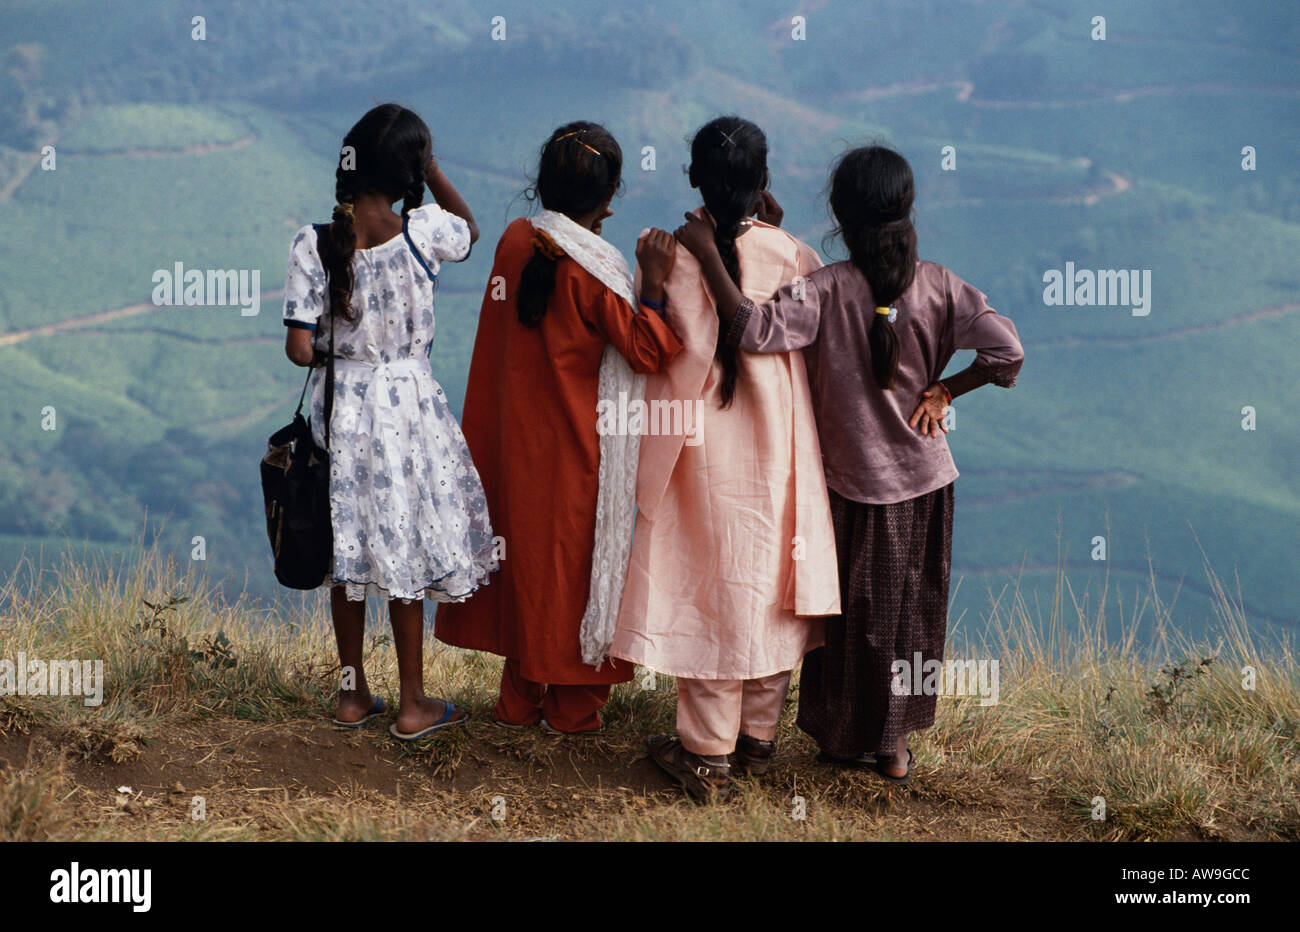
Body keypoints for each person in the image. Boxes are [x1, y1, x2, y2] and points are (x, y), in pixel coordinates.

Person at [673, 144, 1024, 784]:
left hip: (851, 489)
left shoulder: (827, 290)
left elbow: (750, 329)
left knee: (850, 619)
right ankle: (893, 749)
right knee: (907, 616)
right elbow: (1008, 354)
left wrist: (703, 249)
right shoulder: (943, 286)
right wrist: (947, 388)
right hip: (926, 486)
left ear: (839, 215)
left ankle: (841, 737)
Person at [609, 117, 839, 801]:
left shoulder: (671, 255)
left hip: (697, 454)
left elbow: (645, 342)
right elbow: (812, 322)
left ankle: (707, 754)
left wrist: (650, 285)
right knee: (768, 584)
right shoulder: (793, 256)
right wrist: (777, 231)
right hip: (777, 457)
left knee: (707, 586)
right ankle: (758, 736)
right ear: (765, 184)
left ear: (692, 179)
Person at [434, 122, 683, 734]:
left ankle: (519, 700)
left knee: (524, 564)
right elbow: (649, 352)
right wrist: (651, 283)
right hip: (576, 454)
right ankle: (573, 709)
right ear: (607, 201)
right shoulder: (597, 274)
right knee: (574, 570)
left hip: (514, 449)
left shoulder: (517, 241)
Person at [281, 103, 496, 741]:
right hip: (408, 408)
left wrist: (340, 350)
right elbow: (470, 227)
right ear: (406, 172)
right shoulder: (423, 232)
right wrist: (430, 166)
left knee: (347, 551)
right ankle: (412, 704)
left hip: (343, 407)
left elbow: (298, 347)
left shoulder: (313, 242)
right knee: (402, 545)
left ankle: (352, 696)